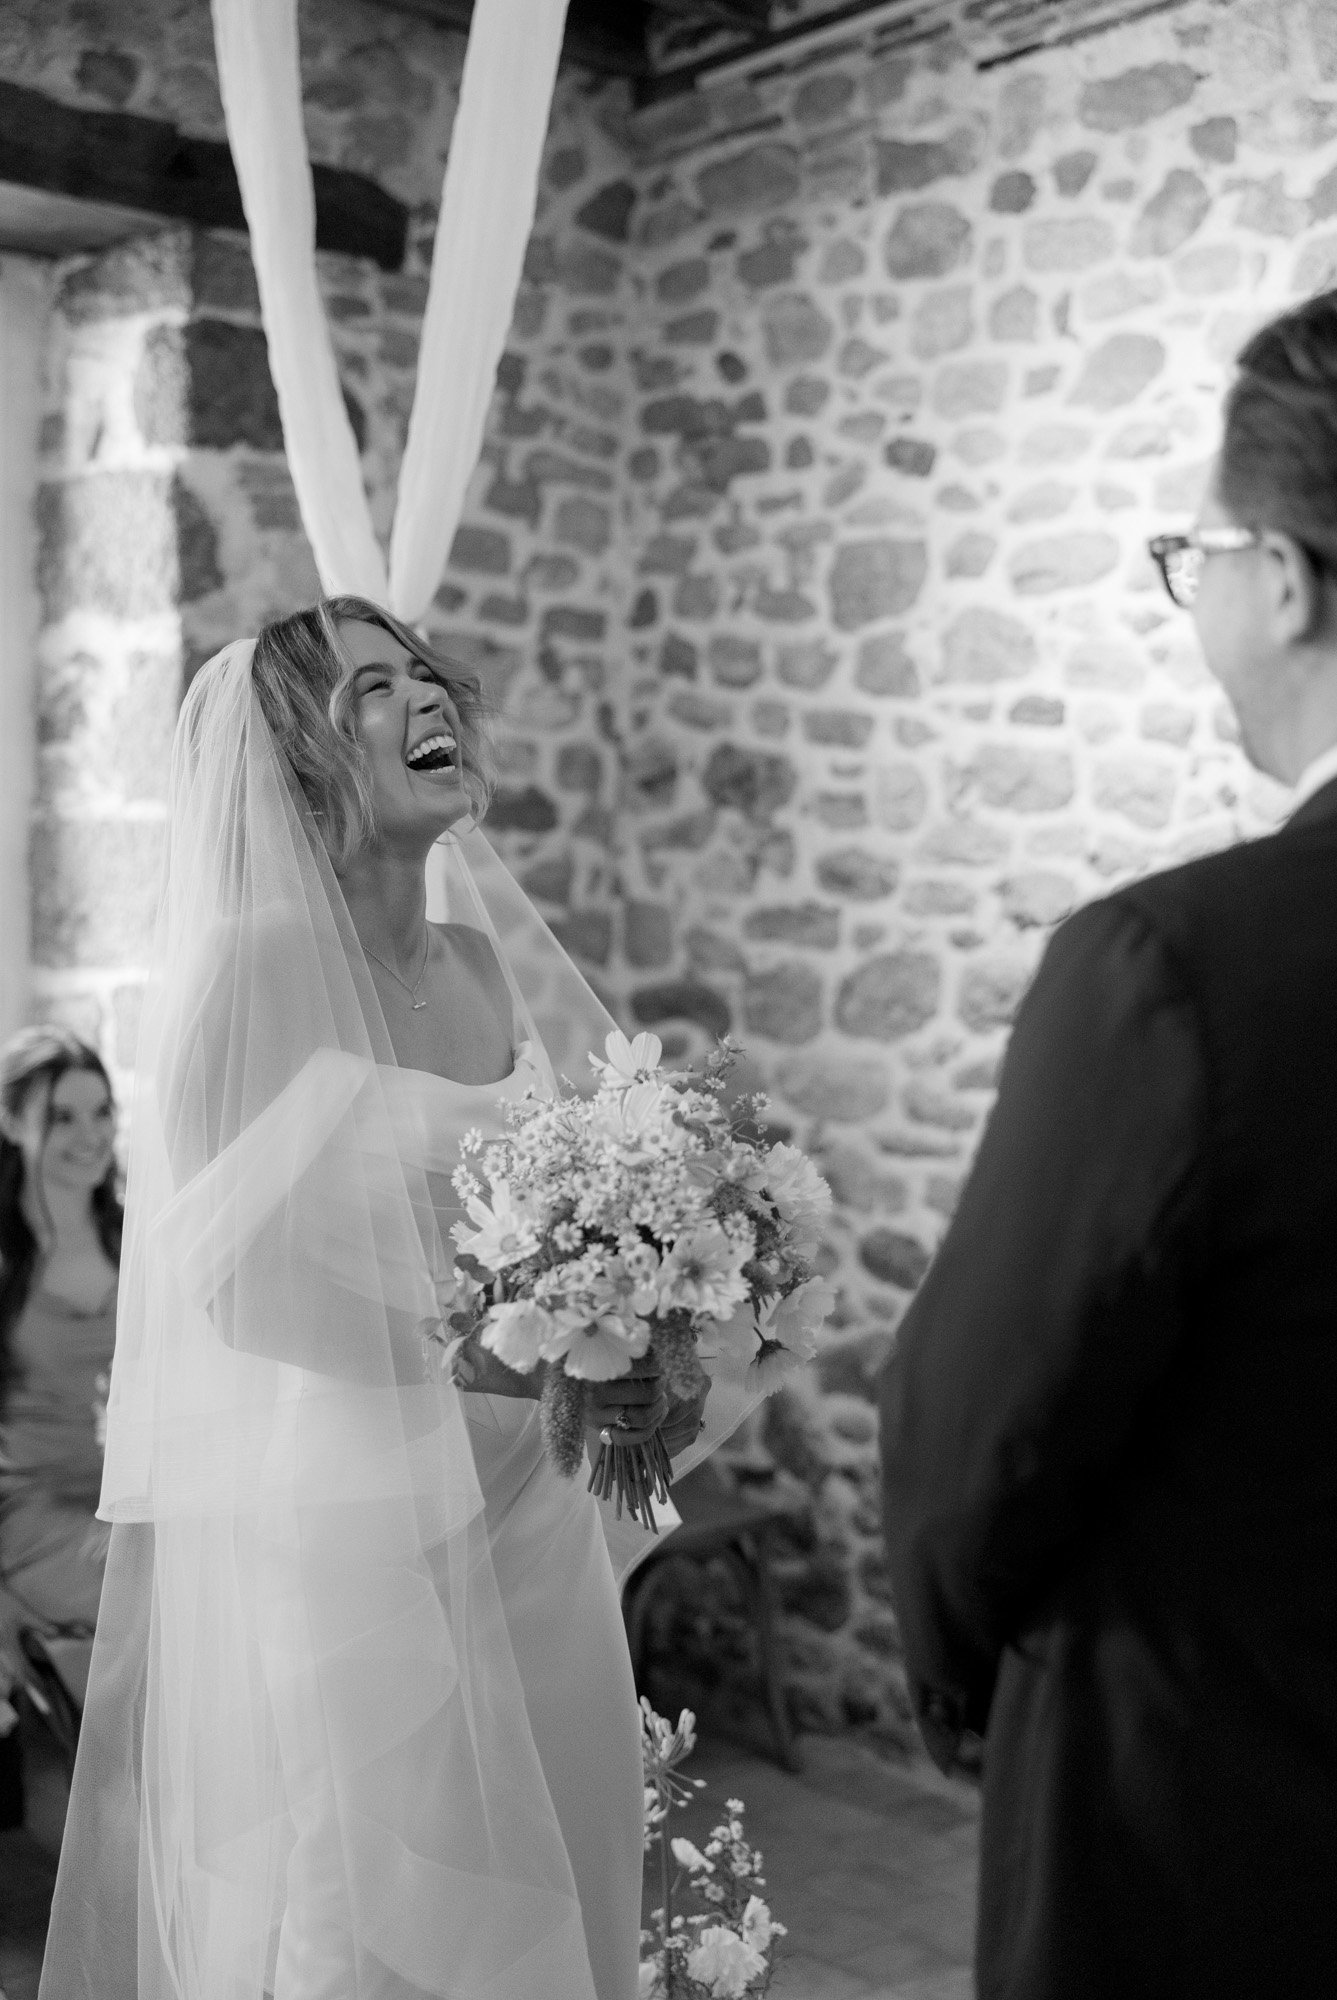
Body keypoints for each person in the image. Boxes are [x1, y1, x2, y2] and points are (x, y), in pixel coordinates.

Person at [39, 596, 728, 2000]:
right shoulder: (254, 966)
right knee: (393, 1907)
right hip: (357, 1525)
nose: (426, 697)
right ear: (299, 754)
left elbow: (539, 1212)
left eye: (424, 672)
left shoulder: (477, 964)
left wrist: (638, 1323)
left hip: (533, 1504)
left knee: (574, 1837)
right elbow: (233, 1288)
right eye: (370, 687)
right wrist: (514, 1360)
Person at [878, 288, 1337, 1998]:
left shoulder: (1170, 972)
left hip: (1206, 1826)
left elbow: (967, 1433)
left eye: (1194, 549)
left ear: (1282, 578)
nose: (1193, 587)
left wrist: (954, 1691)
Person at [1, 1028, 120, 1719]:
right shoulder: (5, 1263)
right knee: (167, 1591)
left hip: (131, 1502)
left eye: (102, 1112)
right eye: (63, 1116)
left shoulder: (135, 1239)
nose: (91, 1135)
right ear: (12, 1122)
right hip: (37, 1517)